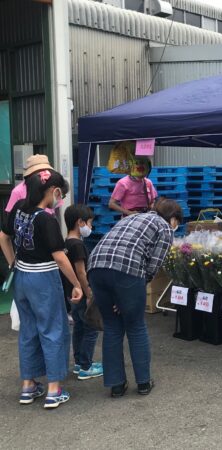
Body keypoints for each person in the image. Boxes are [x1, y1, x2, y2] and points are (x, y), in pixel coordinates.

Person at [0, 169, 83, 409]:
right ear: (53, 191)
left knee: (28, 330)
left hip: (22, 277)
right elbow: (60, 257)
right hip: (43, 279)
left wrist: (12, 262)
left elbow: (3, 237)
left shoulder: (18, 209)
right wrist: (76, 284)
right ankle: (54, 390)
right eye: (60, 194)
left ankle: (28, 386)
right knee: (53, 329)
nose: (60, 199)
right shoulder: (46, 219)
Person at [88, 198, 182, 397]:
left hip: (96, 266)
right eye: (177, 222)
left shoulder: (133, 217)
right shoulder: (164, 228)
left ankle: (116, 385)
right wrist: (129, 294)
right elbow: (154, 265)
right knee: (136, 325)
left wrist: (122, 296)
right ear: (173, 218)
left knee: (112, 326)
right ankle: (143, 382)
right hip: (127, 270)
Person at [62, 204, 103, 380]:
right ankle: (86, 366)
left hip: (70, 293)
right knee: (91, 328)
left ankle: (79, 362)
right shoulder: (78, 245)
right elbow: (81, 272)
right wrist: (89, 293)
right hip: (81, 292)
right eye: (89, 223)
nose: (90, 227)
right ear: (80, 222)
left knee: (79, 327)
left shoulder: (65, 243)